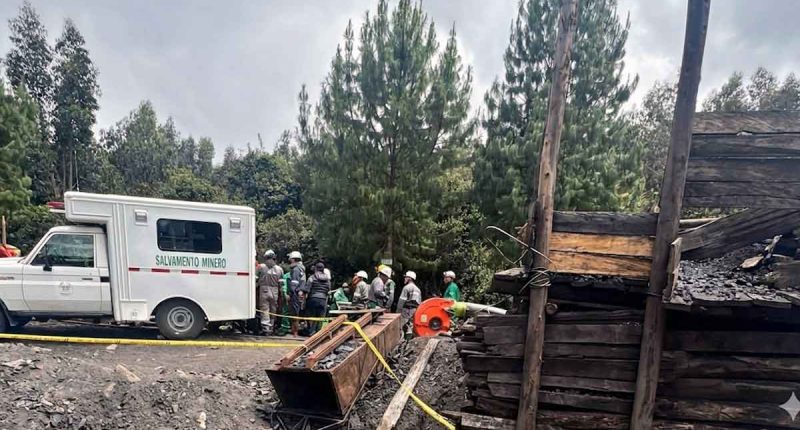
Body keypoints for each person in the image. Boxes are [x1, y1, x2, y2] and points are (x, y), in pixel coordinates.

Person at [256, 250, 284, 335]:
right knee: (273, 310)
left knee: (264, 310)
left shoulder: (261, 267)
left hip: (264, 290)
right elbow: (282, 284)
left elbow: (255, 279)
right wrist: (282, 294)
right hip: (275, 291)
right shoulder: (280, 269)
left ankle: (266, 329)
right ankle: (271, 327)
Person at [305, 262, 331, 335]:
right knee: (320, 317)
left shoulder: (312, 277)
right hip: (323, 299)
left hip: (313, 299)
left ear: (316, 268)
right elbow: (329, 289)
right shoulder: (327, 280)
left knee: (312, 316)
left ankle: (311, 332)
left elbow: (307, 289)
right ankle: (318, 333)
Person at [397, 271, 422, 337]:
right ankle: (408, 344)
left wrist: (398, 312)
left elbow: (401, 301)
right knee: (410, 327)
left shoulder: (406, 288)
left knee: (402, 327)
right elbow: (419, 302)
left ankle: (402, 343)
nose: (404, 278)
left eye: (406, 277)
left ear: (410, 278)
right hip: (414, 311)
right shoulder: (418, 289)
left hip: (405, 310)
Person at [287, 251, 306, 336]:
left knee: (294, 313)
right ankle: (295, 330)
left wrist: (290, 294)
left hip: (295, 293)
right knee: (297, 312)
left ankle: (295, 332)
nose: (290, 260)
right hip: (300, 293)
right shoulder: (301, 269)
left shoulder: (295, 270)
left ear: (294, 259)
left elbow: (294, 284)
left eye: (291, 259)